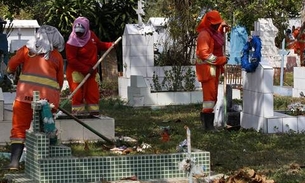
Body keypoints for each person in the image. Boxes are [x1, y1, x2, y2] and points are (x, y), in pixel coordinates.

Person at [5, 25, 65, 170]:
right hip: (47, 102)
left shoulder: (27, 50)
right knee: (45, 130)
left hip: (24, 97)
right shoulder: (56, 56)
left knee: (19, 128)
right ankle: (46, 163)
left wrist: (9, 71)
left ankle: (14, 162)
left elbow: (12, 64)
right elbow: (60, 82)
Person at [65, 16, 113, 116]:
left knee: (93, 93)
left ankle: (94, 113)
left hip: (91, 72)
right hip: (76, 72)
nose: (79, 34)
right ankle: (78, 114)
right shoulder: (72, 42)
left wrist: (110, 45)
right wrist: (86, 69)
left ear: (86, 29)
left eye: (81, 32)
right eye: (77, 31)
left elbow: (99, 45)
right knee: (78, 94)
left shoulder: (91, 35)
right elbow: (71, 60)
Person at [195, 10, 228, 130]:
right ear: (208, 22)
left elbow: (218, 42)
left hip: (212, 70)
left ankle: (208, 125)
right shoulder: (204, 35)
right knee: (209, 98)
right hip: (207, 71)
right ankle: (207, 126)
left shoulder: (212, 33)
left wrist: (224, 27)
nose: (216, 25)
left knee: (213, 96)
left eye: (217, 23)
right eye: (214, 23)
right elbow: (205, 54)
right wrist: (221, 60)